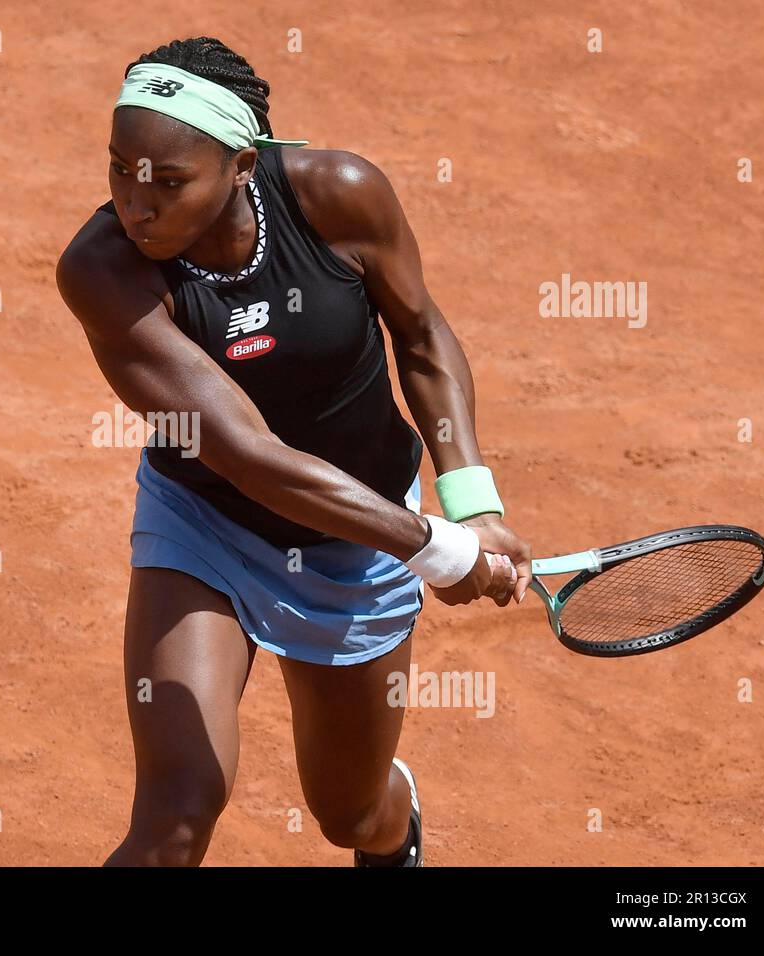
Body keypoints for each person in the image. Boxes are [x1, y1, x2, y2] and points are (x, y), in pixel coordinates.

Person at [56, 36, 532, 867]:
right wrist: (436, 547)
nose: (137, 205)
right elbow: (248, 456)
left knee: (352, 816)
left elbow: (421, 337)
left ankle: (396, 831)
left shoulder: (340, 196)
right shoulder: (102, 272)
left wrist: (471, 500)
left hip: (356, 543)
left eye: (169, 183)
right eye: (118, 169)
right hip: (207, 527)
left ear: (242, 165)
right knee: (174, 818)